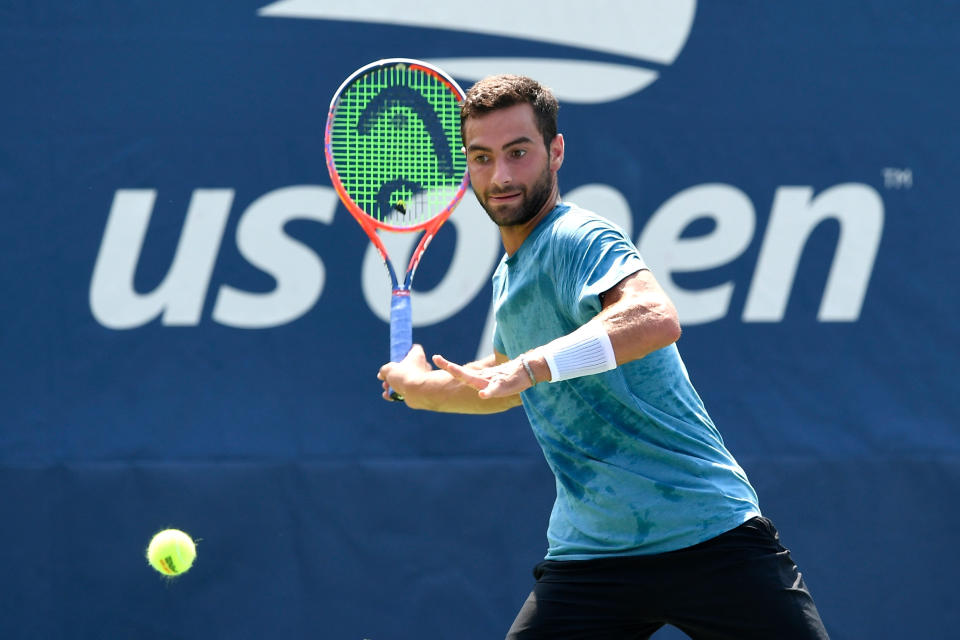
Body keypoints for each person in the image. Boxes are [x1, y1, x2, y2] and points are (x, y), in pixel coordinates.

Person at [378, 74, 829, 640]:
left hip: (708, 535)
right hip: (593, 555)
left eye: (519, 152)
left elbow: (655, 318)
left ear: (555, 151)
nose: (502, 176)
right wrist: (419, 387)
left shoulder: (578, 236)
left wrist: (532, 364)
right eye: (482, 157)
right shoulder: (509, 277)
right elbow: (497, 382)